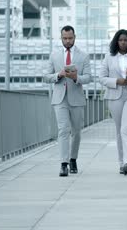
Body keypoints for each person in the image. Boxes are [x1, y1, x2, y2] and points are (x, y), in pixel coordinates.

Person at [44, 25, 91, 176]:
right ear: (61, 38)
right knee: (63, 130)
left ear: (74, 37)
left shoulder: (83, 56)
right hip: (60, 99)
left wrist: (76, 78)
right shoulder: (54, 55)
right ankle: (63, 164)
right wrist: (59, 74)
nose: (68, 41)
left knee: (76, 132)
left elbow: (89, 77)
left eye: (70, 38)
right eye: (65, 38)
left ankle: (73, 159)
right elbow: (46, 76)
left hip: (76, 98)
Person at [99, 29, 127, 175]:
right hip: (115, 96)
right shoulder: (108, 58)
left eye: (125, 40)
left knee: (126, 129)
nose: (123, 42)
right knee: (119, 131)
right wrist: (117, 81)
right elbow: (102, 78)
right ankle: (121, 163)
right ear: (116, 42)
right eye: (120, 40)